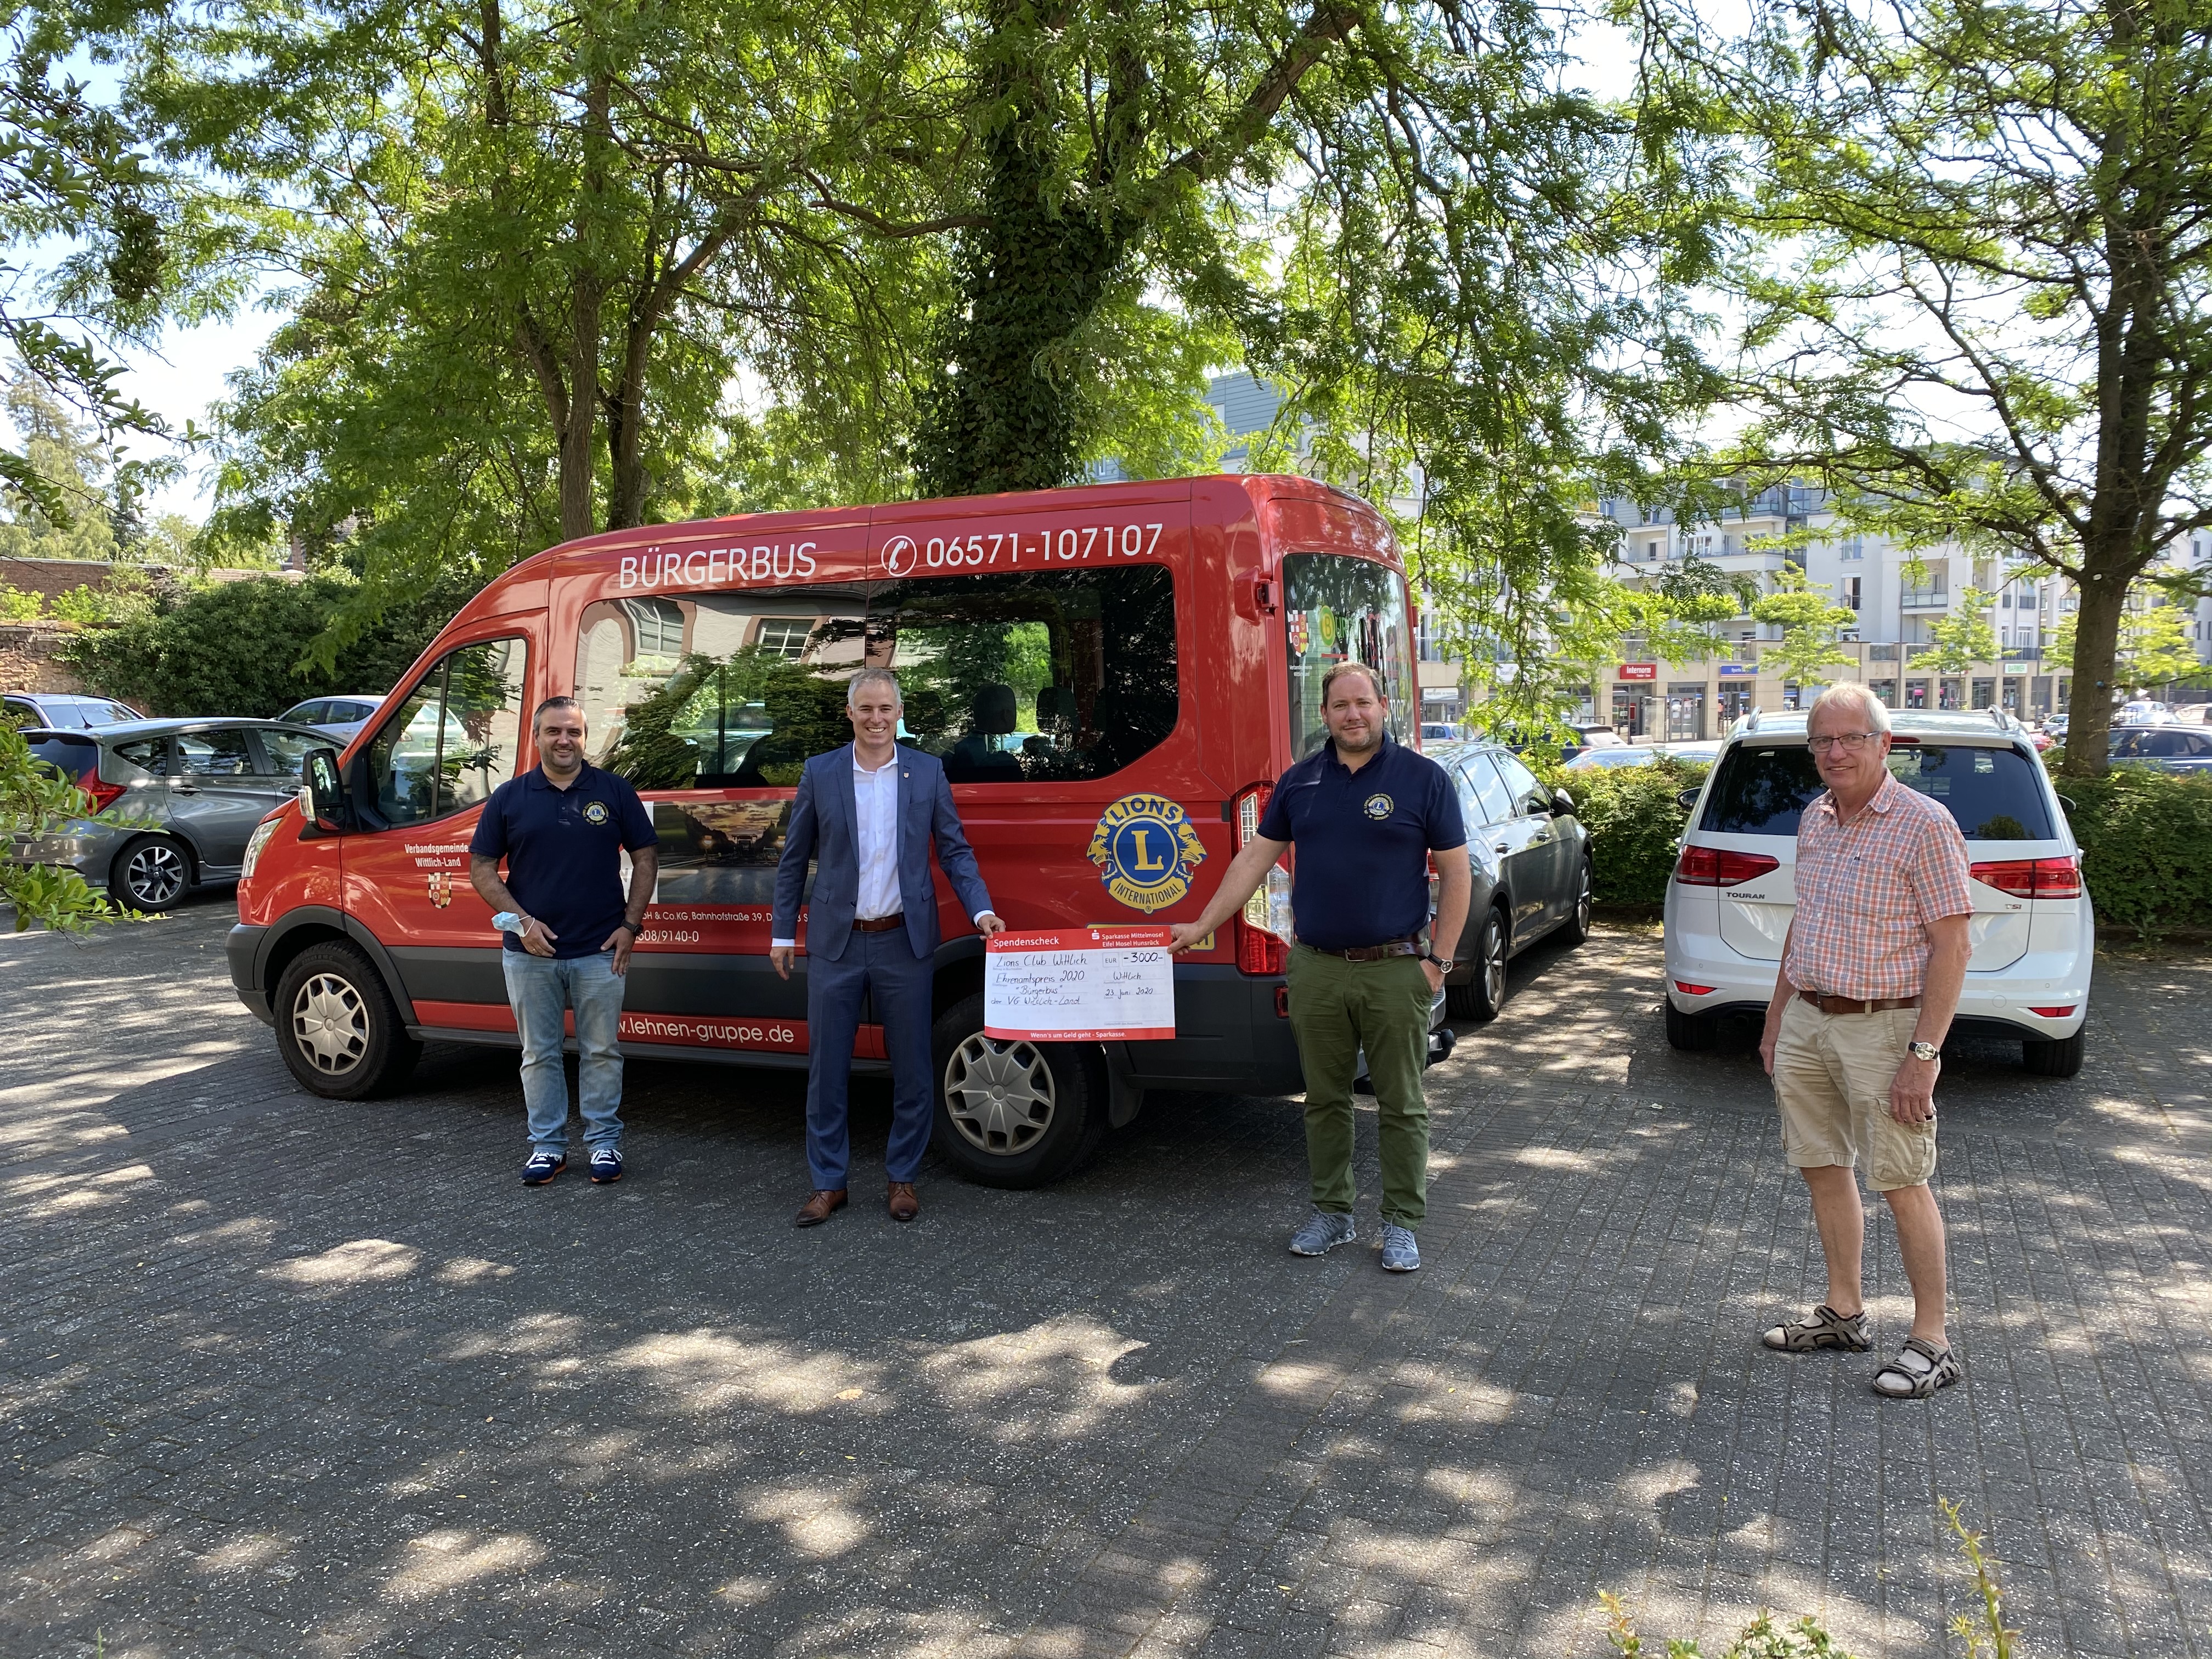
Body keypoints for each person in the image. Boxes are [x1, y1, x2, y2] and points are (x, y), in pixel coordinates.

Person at [1168, 662, 1470, 1272]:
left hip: (1396, 969)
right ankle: (1332, 1213)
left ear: (1382, 707)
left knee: (1401, 1103)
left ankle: (1401, 1223)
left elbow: (1458, 873)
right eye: (1340, 706)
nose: (1352, 714)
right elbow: (1255, 859)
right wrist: (1202, 924)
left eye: (1362, 703)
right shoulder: (1299, 782)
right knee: (1325, 1100)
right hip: (1317, 969)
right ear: (1325, 714)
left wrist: (1439, 961)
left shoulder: (1423, 779)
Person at [1757, 681, 1973, 1398]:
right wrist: (1777, 1015)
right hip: (1811, 1019)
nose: (1835, 752)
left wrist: (1925, 1055)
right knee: (1822, 1166)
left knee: (1903, 1182)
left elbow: (1953, 947)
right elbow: (1805, 922)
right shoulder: (1816, 820)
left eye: (1852, 738)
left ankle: (1933, 1340)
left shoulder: (1923, 823)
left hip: (1887, 1028)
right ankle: (1845, 1314)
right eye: (1823, 740)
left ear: (1885, 744)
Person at [770, 667, 1005, 1227]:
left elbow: (955, 850)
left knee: (913, 1069)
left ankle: (903, 1178)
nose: (877, 719)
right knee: (827, 1069)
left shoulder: (925, 772)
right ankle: (829, 1183)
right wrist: (783, 932)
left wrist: (982, 908)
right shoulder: (821, 773)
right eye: (866, 709)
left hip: (905, 941)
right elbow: (793, 859)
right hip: (836, 945)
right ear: (849, 714)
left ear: (899, 715)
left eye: (886, 710)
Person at [469, 697, 659, 1187]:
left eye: (573, 732)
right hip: (530, 954)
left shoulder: (614, 791)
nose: (564, 741)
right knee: (539, 1054)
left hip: (600, 950)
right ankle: (548, 1146)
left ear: (584, 736)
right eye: (554, 732)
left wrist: (631, 927)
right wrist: (522, 921)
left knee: (602, 1051)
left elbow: (646, 858)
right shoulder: (510, 797)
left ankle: (604, 1144)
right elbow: (482, 869)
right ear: (535, 738)